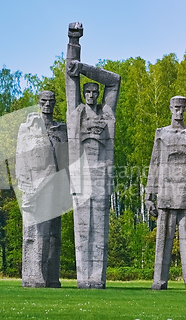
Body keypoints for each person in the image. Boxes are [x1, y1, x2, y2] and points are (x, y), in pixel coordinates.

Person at [65, 22, 121, 289]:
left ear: (98, 93)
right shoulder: (75, 113)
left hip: (100, 174)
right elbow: (70, 75)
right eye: (86, 91)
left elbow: (115, 80)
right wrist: (73, 44)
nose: (89, 94)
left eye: (93, 91)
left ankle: (97, 279)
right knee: (82, 230)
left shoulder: (107, 113)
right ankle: (82, 279)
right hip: (80, 174)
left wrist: (86, 68)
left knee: (99, 231)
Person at [145, 96, 186, 290]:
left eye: (182, 108)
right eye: (176, 108)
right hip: (165, 193)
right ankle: (159, 280)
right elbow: (154, 165)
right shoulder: (161, 134)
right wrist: (149, 195)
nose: (179, 112)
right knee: (162, 241)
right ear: (170, 108)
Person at [16, 91, 68, 288]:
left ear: (55, 103)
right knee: (36, 232)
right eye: (43, 101)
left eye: (51, 101)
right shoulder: (28, 128)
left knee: (55, 234)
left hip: (57, 184)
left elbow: (65, 159)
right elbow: (20, 159)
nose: (47, 105)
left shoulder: (61, 129)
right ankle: (33, 276)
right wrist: (26, 186)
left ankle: (52, 277)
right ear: (38, 102)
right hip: (36, 185)